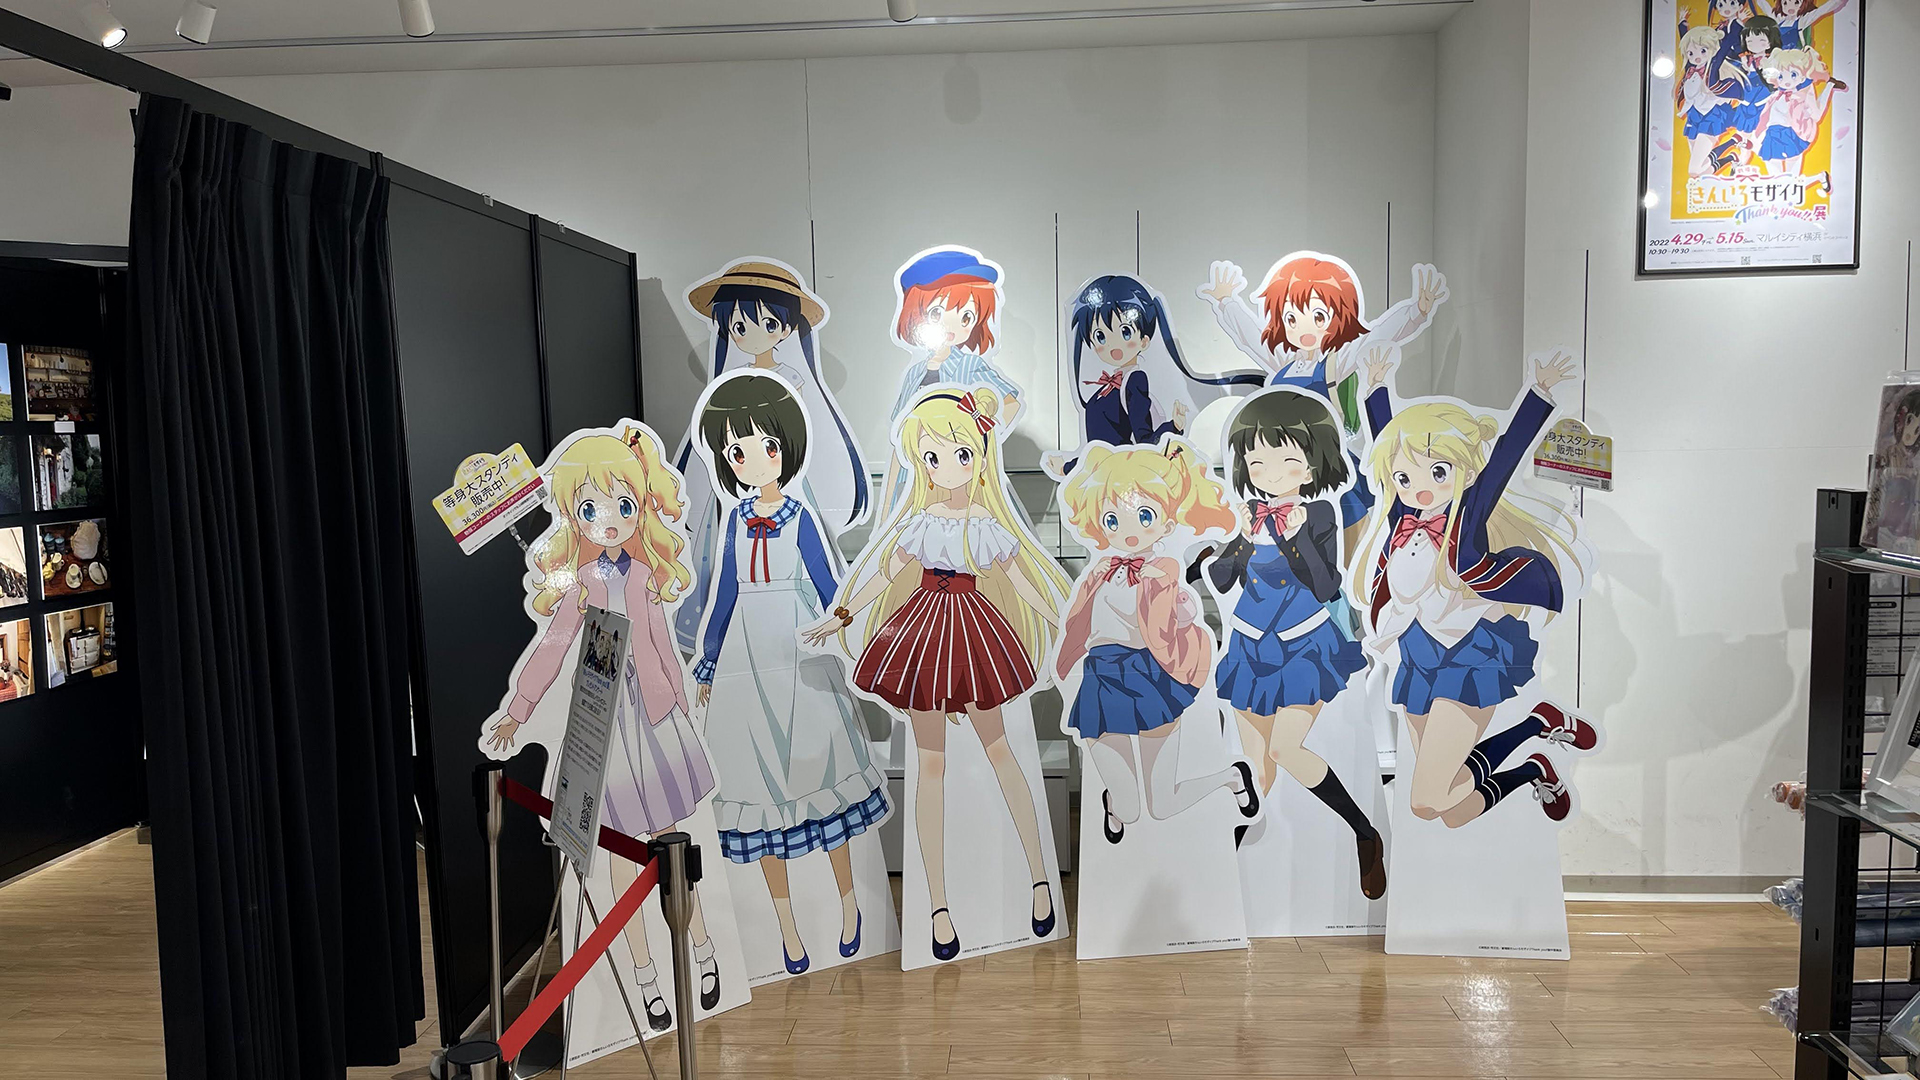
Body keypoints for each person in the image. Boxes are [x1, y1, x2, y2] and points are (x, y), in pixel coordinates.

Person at [805, 386, 1070, 962]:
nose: (946, 468)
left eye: (959, 454)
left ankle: (1038, 877)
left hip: (973, 632)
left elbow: (1022, 581)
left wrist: (1064, 622)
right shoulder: (920, 522)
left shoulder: (986, 523)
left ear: (978, 457)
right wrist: (841, 616)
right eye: (932, 457)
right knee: (931, 765)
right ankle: (938, 906)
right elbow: (884, 574)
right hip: (924, 631)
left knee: (1000, 752)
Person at [483, 427, 722, 1031]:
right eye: (590, 509)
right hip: (603, 725)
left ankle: (701, 952)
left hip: (654, 721)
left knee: (672, 849)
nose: (608, 521)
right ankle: (646, 979)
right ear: (573, 517)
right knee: (622, 854)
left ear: (639, 504)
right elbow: (552, 649)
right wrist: (517, 708)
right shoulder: (581, 585)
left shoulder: (643, 576)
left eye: (622, 504)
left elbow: (662, 645)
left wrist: (683, 709)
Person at [689, 372, 889, 975]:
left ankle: (850, 908)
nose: (754, 460)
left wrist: (846, 630)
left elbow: (831, 587)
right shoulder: (733, 520)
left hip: (799, 654)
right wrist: (709, 660)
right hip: (745, 663)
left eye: (767, 446)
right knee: (758, 791)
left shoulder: (801, 518)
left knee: (820, 776)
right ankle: (787, 930)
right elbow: (724, 594)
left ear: (787, 449)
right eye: (738, 451)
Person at [1350, 351, 1599, 832]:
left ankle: (1534, 728)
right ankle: (1534, 757)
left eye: (1437, 473)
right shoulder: (1403, 516)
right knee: (1452, 813)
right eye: (1405, 479)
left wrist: (1540, 392)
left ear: (1462, 470)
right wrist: (1375, 391)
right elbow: (1390, 442)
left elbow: (1506, 457)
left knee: (1425, 800)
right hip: (1417, 655)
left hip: (1470, 652)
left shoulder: (1467, 511)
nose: (1421, 489)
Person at [1054, 440, 1259, 844]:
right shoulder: (1098, 571)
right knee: (1129, 808)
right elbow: (1076, 621)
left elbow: (1172, 623)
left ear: (1166, 524)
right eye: (1113, 519)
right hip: (1101, 678)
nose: (1129, 530)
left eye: (1144, 515)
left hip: (1149, 675)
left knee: (1161, 805)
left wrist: (1176, 602)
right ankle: (1115, 803)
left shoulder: (1164, 570)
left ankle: (1231, 778)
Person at [674, 259, 869, 653]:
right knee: (727, 558)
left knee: (797, 553)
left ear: (786, 328)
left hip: (780, 478)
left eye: (767, 323)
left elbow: (799, 432)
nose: (752, 335)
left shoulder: (792, 378)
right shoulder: (729, 382)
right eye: (739, 327)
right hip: (740, 482)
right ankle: (718, 639)